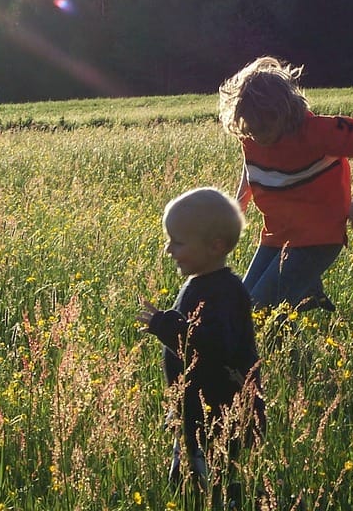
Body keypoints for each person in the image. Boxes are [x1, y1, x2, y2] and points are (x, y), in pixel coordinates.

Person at [218, 56, 353, 312]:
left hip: (318, 237)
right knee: (245, 305)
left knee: (258, 310)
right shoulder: (252, 135)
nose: (259, 135)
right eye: (252, 127)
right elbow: (252, 166)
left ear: (285, 111)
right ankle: (306, 292)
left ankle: (302, 291)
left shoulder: (320, 131)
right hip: (276, 235)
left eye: (265, 126)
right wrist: (239, 202)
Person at [136, 187, 264, 507]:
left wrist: (168, 327)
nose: (169, 250)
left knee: (215, 487)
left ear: (215, 246)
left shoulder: (226, 292)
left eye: (178, 242)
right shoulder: (199, 283)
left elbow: (214, 347)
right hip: (196, 413)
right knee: (186, 483)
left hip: (220, 415)